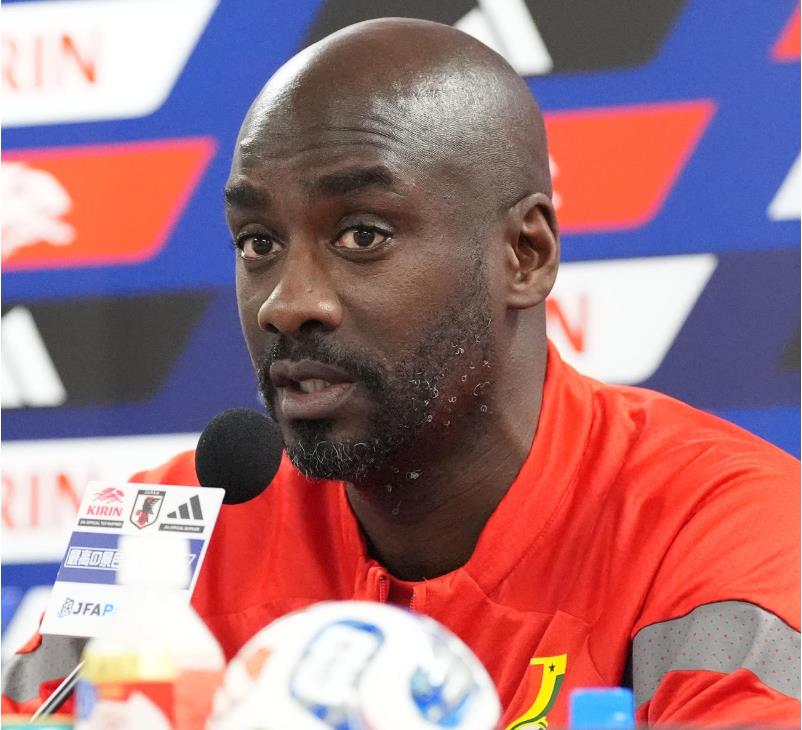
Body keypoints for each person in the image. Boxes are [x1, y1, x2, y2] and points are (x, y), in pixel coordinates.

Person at [3, 18, 799, 727]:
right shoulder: (160, 524)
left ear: (525, 255)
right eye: (257, 243)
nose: (288, 303)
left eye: (363, 235)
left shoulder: (734, 527)